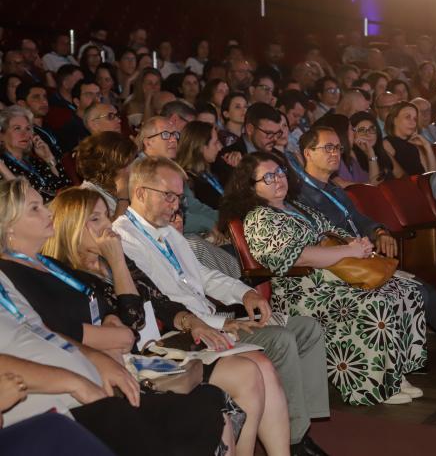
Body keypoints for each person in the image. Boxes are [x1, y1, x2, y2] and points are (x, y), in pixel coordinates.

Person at [44, 187, 298, 455]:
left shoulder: (115, 261)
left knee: (253, 370)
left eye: (106, 216)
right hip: (133, 362)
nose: (107, 224)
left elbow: (160, 301)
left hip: (158, 348)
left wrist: (192, 321)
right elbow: (134, 320)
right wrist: (117, 261)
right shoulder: (74, 277)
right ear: (70, 225)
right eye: (95, 219)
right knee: (250, 369)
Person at [112, 156, 330, 453]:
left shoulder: (164, 231)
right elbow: (162, 302)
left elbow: (203, 275)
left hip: (214, 318)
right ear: (139, 193)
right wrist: (222, 323)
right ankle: (296, 439)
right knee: (279, 341)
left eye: (178, 197)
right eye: (169, 196)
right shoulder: (125, 238)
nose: (176, 205)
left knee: (305, 328)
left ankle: (302, 426)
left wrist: (245, 294)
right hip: (186, 332)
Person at [0, 179, 233, 455]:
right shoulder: (15, 272)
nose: (48, 213)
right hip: (77, 396)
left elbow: (48, 329)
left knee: (212, 403)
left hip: (103, 372)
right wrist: (80, 376)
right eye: (35, 208)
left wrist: (103, 345)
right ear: (9, 224)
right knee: (209, 407)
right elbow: (116, 325)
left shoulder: (49, 267)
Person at [218, 151, 428, 406]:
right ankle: (373, 385)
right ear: (251, 187)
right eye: (268, 177)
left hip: (333, 276)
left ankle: (393, 372)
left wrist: (355, 242)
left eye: (280, 172)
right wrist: (346, 251)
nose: (278, 180)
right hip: (304, 289)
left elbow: (332, 231)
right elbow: (297, 258)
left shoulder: (296, 206)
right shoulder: (260, 217)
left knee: (404, 290)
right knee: (374, 302)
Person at [292, 126, 436, 364]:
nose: (335, 153)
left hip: (364, 259)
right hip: (338, 268)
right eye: (328, 147)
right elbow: (319, 239)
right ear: (308, 153)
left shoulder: (335, 190)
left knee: (427, 292)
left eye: (338, 147)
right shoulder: (300, 195)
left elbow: (360, 220)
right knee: (421, 294)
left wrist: (379, 231)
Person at [0, 106, 70, 202]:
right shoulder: (2, 166)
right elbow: (21, 200)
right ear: (1, 135)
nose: (25, 134)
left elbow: (66, 186)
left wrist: (49, 158)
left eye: (28, 129)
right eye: (17, 128)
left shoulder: (34, 162)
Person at [213, 102, 283, 184]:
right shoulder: (228, 158)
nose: (275, 138)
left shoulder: (278, 156)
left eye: (277, 133)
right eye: (269, 133)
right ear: (250, 129)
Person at [177, 120, 225, 210]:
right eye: (215, 143)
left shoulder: (212, 171)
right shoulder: (187, 181)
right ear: (201, 147)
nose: (220, 147)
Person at [382, 101, 436, 177]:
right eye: (407, 117)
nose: (412, 122)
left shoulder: (414, 144)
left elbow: (432, 176)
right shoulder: (386, 144)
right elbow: (401, 179)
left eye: (415, 119)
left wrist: (427, 147)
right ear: (394, 120)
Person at [349, 111, 393, 184]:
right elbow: (375, 184)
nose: (368, 134)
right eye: (362, 130)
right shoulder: (351, 155)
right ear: (352, 134)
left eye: (371, 129)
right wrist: (370, 153)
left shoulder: (382, 152)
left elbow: (402, 177)